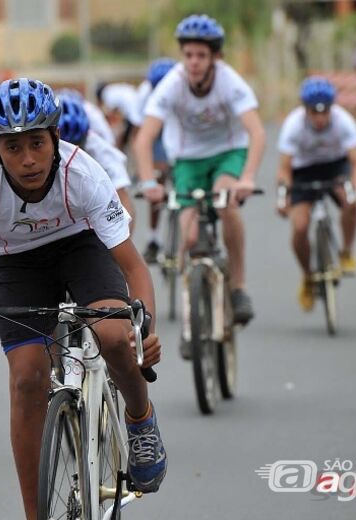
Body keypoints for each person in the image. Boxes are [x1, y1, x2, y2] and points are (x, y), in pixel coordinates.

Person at [0, 78, 167, 520]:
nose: (27, 159)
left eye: (36, 143)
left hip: (81, 246)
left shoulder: (83, 173)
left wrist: (144, 330)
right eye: (12, 148)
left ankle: (140, 417)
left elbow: (133, 267)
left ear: (55, 138)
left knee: (112, 334)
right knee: (27, 377)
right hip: (14, 262)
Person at [134, 14, 266, 337]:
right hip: (188, 159)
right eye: (189, 55)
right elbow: (144, 138)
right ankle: (191, 312)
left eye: (201, 56)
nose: (193, 62)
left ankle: (238, 287)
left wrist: (247, 177)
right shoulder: (172, 84)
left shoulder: (230, 82)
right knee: (189, 236)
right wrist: (149, 181)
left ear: (215, 58)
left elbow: (257, 132)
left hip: (228, 152)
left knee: (225, 203)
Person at [276, 77, 356, 311]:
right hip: (303, 171)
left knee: (351, 202)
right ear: (304, 110)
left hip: (335, 167)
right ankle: (308, 276)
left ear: (331, 109)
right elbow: (284, 168)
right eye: (313, 113)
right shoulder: (293, 124)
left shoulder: (344, 121)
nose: (319, 118)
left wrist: (354, 190)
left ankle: (346, 252)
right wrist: (283, 196)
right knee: (300, 227)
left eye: (324, 112)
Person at [57, 93, 136, 228]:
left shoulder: (100, 147)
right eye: (62, 147)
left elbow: (124, 204)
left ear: (86, 137)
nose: (68, 155)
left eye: (76, 146)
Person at [137, 58, 178, 264]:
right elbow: (141, 133)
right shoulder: (145, 96)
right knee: (157, 179)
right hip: (156, 133)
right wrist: (148, 175)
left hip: (180, 132)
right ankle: (153, 239)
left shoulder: (181, 89)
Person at [96, 81, 142, 150]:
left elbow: (109, 114)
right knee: (128, 135)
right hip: (136, 106)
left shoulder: (106, 94)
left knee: (134, 136)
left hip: (132, 112)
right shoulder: (113, 89)